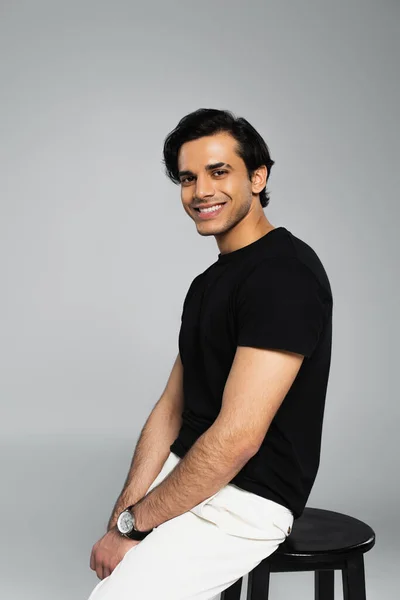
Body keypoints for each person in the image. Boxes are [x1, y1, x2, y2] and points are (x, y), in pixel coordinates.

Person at [87, 108, 333, 600]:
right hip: (191, 477)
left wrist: (134, 526)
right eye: (188, 177)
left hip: (248, 498)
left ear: (258, 177)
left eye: (219, 172)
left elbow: (239, 437)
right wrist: (124, 516)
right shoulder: (208, 283)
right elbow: (172, 408)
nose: (201, 191)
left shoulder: (284, 276)